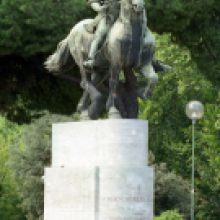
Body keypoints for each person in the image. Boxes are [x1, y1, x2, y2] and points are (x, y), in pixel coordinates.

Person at [83, 0, 120, 68]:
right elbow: (93, 2)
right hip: (106, 17)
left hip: (121, 18)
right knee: (100, 34)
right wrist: (99, 8)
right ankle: (91, 59)